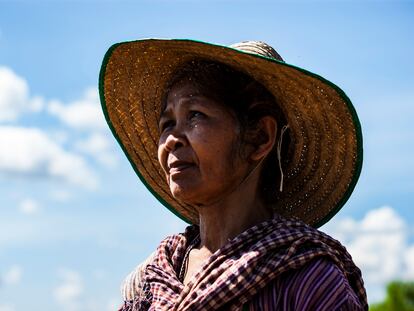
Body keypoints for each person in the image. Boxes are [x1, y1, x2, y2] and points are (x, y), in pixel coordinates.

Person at [99, 39, 367, 310]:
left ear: (261, 138)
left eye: (195, 115)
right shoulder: (151, 281)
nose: (171, 140)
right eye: (167, 123)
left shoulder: (308, 280)